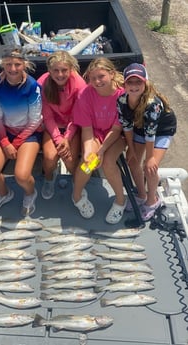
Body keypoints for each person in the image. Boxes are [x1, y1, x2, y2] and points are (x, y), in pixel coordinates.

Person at [0, 48, 42, 216]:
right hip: (5, 132)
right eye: (8, 64)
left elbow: (35, 120)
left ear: (25, 64)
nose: (13, 69)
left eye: (17, 64)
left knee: (22, 176)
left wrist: (15, 144)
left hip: (28, 133)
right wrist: (5, 142)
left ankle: (30, 193)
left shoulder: (33, 86)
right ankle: (4, 193)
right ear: (3, 65)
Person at [117, 63, 177, 221]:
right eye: (130, 82)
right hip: (140, 127)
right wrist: (130, 149)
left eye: (138, 82)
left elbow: (151, 135)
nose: (134, 86)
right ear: (124, 84)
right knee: (132, 161)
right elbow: (127, 126)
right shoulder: (122, 101)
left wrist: (150, 158)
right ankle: (141, 195)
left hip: (161, 131)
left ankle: (153, 200)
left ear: (145, 83)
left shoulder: (153, 104)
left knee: (149, 167)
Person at [72, 57, 126, 224]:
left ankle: (120, 201)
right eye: (93, 78)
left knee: (109, 163)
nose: (97, 81)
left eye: (101, 76)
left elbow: (117, 129)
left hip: (117, 135)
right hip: (95, 132)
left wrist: (102, 151)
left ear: (111, 74)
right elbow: (87, 129)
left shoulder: (122, 96)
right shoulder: (85, 94)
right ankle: (77, 195)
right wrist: (89, 151)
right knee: (88, 162)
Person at [37, 51, 86, 199]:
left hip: (73, 125)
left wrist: (68, 137)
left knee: (70, 161)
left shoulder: (79, 85)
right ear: (49, 71)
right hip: (53, 126)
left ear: (71, 69)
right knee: (50, 158)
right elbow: (48, 116)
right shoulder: (42, 83)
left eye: (64, 70)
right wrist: (59, 139)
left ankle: (77, 182)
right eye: (55, 70)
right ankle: (49, 178)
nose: (60, 75)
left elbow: (77, 115)